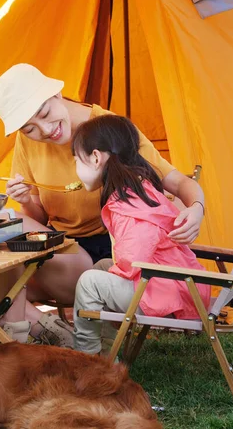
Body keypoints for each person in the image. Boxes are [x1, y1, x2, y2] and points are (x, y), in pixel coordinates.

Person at [0, 63, 205, 344]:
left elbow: (179, 182)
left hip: (100, 258)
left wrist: (196, 208)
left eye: (44, 113)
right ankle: (33, 320)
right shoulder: (27, 142)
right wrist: (27, 199)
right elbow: (38, 219)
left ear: (56, 93)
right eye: (30, 128)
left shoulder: (109, 131)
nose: (45, 130)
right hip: (56, 247)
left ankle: (19, 326)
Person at [71, 114, 211, 354]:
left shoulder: (128, 202)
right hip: (172, 282)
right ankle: (107, 351)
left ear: (95, 158)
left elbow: (133, 257)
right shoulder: (140, 187)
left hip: (162, 291)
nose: (75, 168)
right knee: (101, 268)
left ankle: (87, 359)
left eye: (76, 160)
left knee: (89, 282)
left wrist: (119, 262)